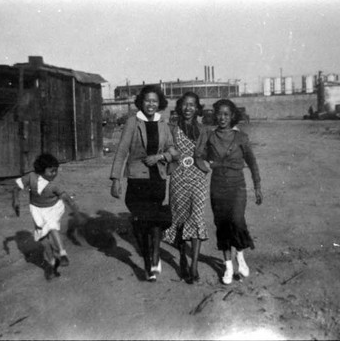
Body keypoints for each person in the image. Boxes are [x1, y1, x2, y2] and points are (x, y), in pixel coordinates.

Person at [110, 85, 177, 282]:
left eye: (155, 101)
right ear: (142, 102)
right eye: (147, 100)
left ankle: (154, 260)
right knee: (141, 224)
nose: (151, 104)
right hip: (137, 180)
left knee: (155, 223)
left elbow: (173, 151)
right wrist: (116, 179)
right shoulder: (133, 122)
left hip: (157, 179)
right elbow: (122, 151)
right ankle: (148, 261)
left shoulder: (164, 125)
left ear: (160, 104)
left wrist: (159, 157)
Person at [195, 99, 263, 285]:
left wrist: (257, 186)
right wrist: (205, 166)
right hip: (217, 186)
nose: (222, 117)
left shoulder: (242, 137)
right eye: (219, 114)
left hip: (237, 186)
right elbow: (198, 156)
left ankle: (240, 255)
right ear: (214, 115)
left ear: (233, 115)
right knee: (222, 225)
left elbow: (252, 163)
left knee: (237, 220)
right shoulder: (209, 135)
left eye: (226, 114)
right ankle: (228, 267)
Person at [12, 153, 85, 280]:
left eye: (56, 171)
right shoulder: (30, 177)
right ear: (41, 170)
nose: (54, 174)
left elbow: (66, 198)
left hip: (53, 208)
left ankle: (62, 253)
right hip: (37, 209)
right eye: (51, 171)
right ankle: (51, 262)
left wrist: (76, 211)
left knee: (52, 227)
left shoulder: (54, 185)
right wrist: (15, 200)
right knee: (42, 238)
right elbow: (16, 186)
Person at [163, 92, 208, 284]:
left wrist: (209, 163)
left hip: (198, 177)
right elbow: (163, 148)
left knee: (196, 217)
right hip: (178, 176)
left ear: (197, 108)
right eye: (185, 104)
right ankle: (182, 256)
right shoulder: (171, 128)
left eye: (192, 105)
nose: (188, 108)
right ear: (180, 107)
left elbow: (212, 151)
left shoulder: (204, 130)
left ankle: (194, 265)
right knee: (179, 218)